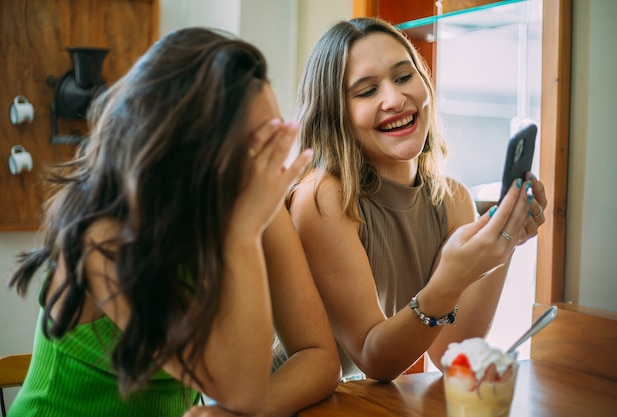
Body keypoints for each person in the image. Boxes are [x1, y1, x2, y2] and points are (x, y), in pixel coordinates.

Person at [8, 27, 339, 417]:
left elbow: (318, 356)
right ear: (179, 143)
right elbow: (240, 390)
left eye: (271, 139)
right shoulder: (105, 237)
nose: (263, 163)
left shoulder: (250, 204)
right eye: (248, 144)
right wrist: (242, 235)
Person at [287, 17, 547, 382]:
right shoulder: (323, 197)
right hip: (272, 398)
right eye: (366, 91)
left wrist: (504, 239)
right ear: (336, 114)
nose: (394, 99)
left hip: (340, 397)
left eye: (403, 76)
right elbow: (373, 359)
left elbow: (450, 352)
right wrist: (451, 278)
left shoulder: (452, 197)